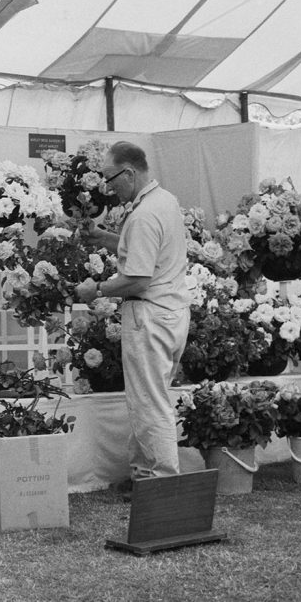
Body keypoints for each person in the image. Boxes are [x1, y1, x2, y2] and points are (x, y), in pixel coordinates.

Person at [74, 141, 190, 493]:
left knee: (149, 403)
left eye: (111, 179)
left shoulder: (143, 214)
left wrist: (96, 290)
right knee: (148, 398)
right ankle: (145, 476)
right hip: (171, 313)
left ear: (130, 172)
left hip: (149, 315)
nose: (108, 187)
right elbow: (140, 248)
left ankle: (164, 485)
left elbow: (137, 277)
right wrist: (101, 238)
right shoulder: (163, 202)